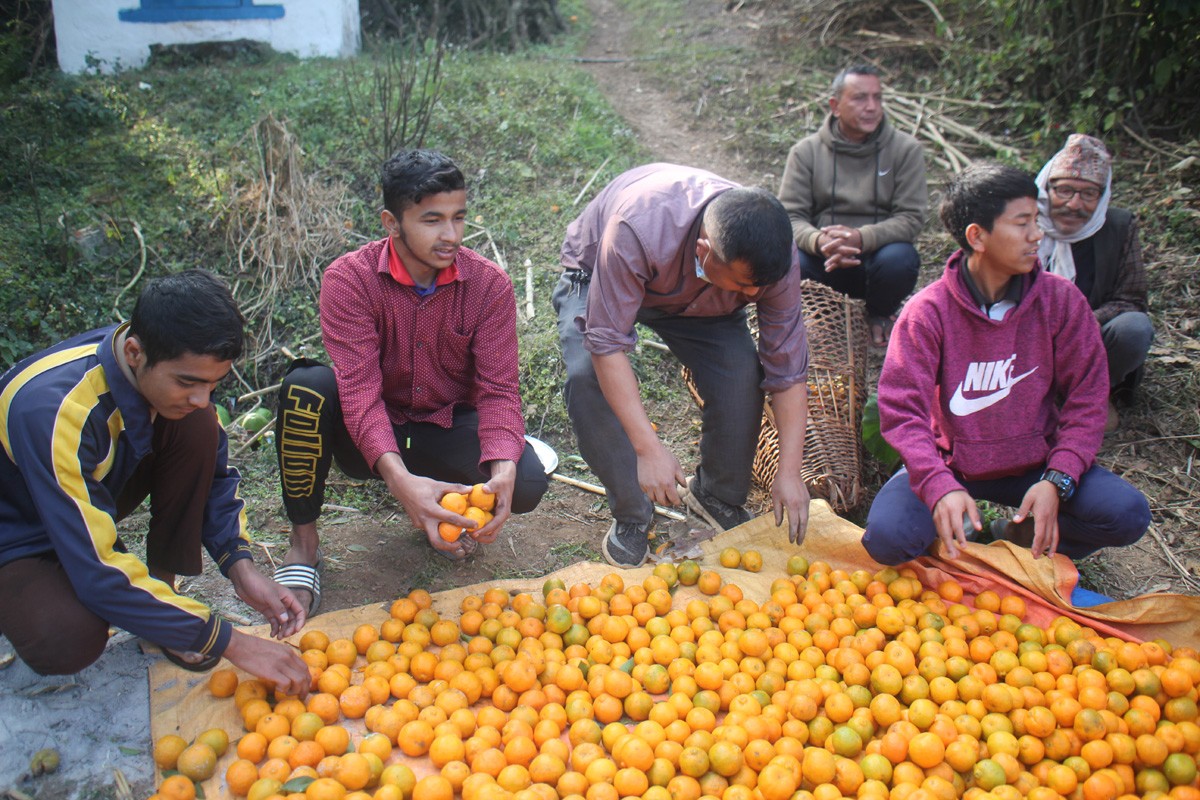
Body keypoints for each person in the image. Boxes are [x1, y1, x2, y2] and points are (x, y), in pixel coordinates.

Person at [0, 270, 310, 693]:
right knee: (67, 639)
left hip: (85, 497)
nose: (203, 398)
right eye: (188, 382)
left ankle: (162, 597)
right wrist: (231, 642)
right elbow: (97, 570)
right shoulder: (54, 412)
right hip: (20, 529)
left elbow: (215, 480)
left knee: (197, 425)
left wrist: (241, 569)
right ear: (134, 352)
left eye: (213, 385)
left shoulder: (159, 360)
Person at [274, 149, 548, 611]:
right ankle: (304, 543)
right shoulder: (349, 281)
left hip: (443, 424)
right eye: (432, 220)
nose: (451, 235)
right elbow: (359, 393)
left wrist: (500, 469)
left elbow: (499, 390)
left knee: (524, 481)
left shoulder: (488, 286)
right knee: (308, 388)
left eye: (459, 218)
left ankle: (440, 507)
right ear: (391, 222)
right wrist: (398, 480)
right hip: (372, 430)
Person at [861, 163, 1150, 566]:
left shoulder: (1061, 301)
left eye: (1036, 220)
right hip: (953, 465)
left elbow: (1087, 398)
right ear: (977, 236)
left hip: (1035, 464)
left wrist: (1058, 478)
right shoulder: (928, 312)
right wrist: (938, 484)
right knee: (889, 540)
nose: (1037, 234)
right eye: (1022, 223)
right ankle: (950, 536)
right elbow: (902, 412)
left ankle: (1014, 535)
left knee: (1127, 514)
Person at [555, 163, 812, 568]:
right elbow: (606, 345)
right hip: (598, 276)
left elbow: (788, 370)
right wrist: (648, 448)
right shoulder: (637, 229)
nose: (756, 295)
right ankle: (633, 512)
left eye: (761, 287)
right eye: (746, 287)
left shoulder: (772, 260)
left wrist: (791, 472)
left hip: (708, 300)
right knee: (587, 376)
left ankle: (717, 496)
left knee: (742, 376)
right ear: (704, 252)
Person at [777, 63, 928, 346]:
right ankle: (821, 314)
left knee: (901, 259)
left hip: (876, 260)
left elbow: (911, 217)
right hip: (825, 259)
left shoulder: (906, 150)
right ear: (835, 105)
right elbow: (790, 216)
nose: (871, 106)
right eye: (860, 98)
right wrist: (819, 241)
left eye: (877, 97)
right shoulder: (806, 152)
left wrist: (860, 238)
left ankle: (879, 313)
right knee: (791, 258)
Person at [1035, 133, 1153, 431]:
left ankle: (1095, 392)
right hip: (1025, 339)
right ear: (1046, 189)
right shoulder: (1024, 223)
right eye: (1064, 191)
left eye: (1088, 195)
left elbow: (1132, 299)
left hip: (1089, 340)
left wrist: (1079, 322)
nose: (1074, 204)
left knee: (1134, 328)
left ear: (1103, 197)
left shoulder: (1118, 227)